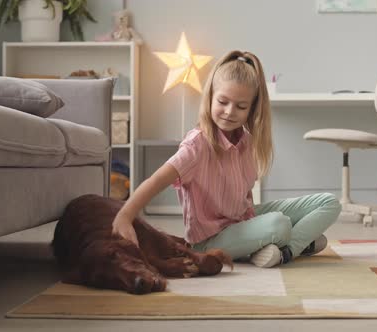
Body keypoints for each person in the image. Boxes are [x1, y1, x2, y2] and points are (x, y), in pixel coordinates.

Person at [112, 50, 342, 268]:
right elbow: (155, 181)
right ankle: (292, 245)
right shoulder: (197, 145)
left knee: (329, 202)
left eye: (241, 106)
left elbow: (245, 198)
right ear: (211, 98)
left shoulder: (248, 143)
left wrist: (255, 226)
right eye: (223, 102)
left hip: (243, 222)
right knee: (279, 223)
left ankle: (285, 250)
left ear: (251, 110)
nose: (230, 111)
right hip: (210, 240)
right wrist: (125, 215)